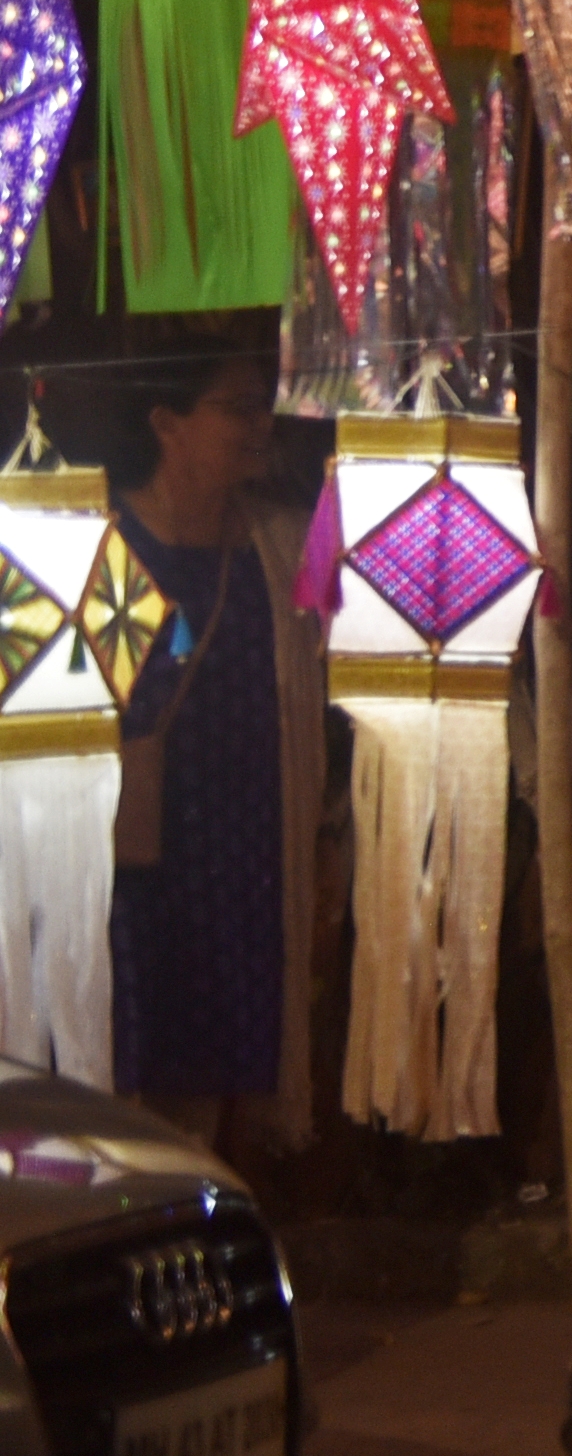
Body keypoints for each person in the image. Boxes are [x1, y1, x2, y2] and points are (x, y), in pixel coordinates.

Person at [100, 337, 320, 1152]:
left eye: (265, 404)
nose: (261, 424)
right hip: (141, 847)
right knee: (137, 1032)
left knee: (226, 1041)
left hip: (247, 844)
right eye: (237, 407)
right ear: (168, 422)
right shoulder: (107, 545)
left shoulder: (277, 546)